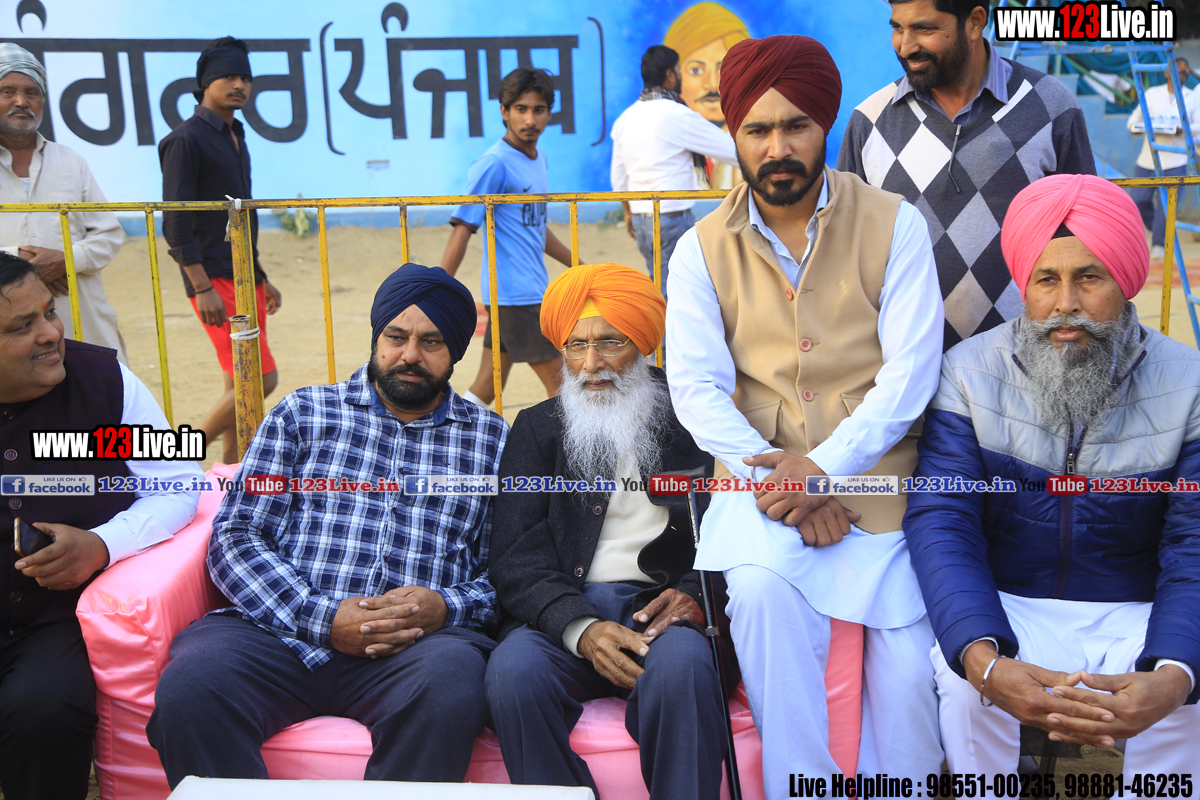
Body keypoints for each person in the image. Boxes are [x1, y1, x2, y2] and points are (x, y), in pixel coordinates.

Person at [665, 36, 946, 794]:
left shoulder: (895, 224)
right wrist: (784, 484)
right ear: (733, 136)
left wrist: (823, 469)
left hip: (883, 489)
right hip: (762, 488)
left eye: (796, 126)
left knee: (910, 673)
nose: (777, 148)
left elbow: (911, 375)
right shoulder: (699, 249)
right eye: (757, 130)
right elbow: (697, 390)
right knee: (760, 599)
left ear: (826, 127)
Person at [147, 263, 506, 788]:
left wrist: (445, 607)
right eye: (396, 337)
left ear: (455, 351)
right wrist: (321, 616)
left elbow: (508, 569)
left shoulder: (492, 441)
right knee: (193, 686)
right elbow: (238, 534)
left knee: (449, 688)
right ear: (376, 338)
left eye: (431, 342)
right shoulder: (303, 414)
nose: (410, 354)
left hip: (416, 648)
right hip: (278, 633)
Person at [904, 173, 1200, 772]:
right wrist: (983, 656)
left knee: (1187, 695)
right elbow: (943, 519)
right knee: (965, 683)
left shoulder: (1188, 383)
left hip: (1135, 610)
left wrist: (1175, 671)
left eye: (1089, 277)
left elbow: (1194, 541)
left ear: (1125, 280)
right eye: (1046, 280)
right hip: (1010, 603)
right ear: (1024, 284)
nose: (1065, 303)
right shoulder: (969, 373)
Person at [486, 263, 728, 800]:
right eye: (576, 347)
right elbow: (515, 556)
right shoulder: (538, 428)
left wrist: (694, 594)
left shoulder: (698, 417)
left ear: (642, 344)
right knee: (514, 671)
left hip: (662, 611)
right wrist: (580, 627)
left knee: (685, 669)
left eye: (610, 343)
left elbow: (732, 526)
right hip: (566, 610)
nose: (591, 365)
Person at [0, 251, 200, 799]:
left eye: (49, 312)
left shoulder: (103, 382)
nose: (51, 333)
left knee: (46, 708)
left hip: (52, 621)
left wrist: (102, 545)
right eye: (22, 325)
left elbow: (179, 483)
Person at [838, 0, 1095, 350]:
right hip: (904, 362)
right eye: (897, 28)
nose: (906, 46)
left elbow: (1085, 241)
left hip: (1025, 360)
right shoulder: (870, 121)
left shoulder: (1051, 106)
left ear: (975, 22)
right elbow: (844, 251)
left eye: (924, 28)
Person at [159, 36, 283, 464]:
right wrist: (200, 286)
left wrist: (261, 276)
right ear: (206, 83)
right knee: (261, 378)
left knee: (238, 380)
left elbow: (239, 219)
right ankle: (178, 454)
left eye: (246, 78)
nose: (240, 85)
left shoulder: (236, 134)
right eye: (229, 76)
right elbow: (175, 222)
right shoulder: (185, 139)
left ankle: (230, 471)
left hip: (245, 276)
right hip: (213, 278)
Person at [440, 67, 574, 409]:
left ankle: (450, 433)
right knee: (566, 388)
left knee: (487, 386)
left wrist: (580, 265)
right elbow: (463, 226)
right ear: (504, 111)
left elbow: (536, 227)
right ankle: (563, 451)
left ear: (549, 113)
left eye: (538, 110)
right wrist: (436, 286)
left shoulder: (539, 158)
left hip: (526, 292)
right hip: (516, 296)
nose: (530, 119)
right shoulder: (494, 164)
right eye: (520, 109)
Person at [0, 44, 127, 363]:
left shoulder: (70, 161)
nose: (21, 101)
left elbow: (109, 235)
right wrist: (21, 263)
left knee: (96, 390)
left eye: (32, 92)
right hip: (9, 339)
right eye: (7, 91)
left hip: (82, 326)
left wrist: (68, 259)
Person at [611, 46, 737, 292]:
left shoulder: (625, 118)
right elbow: (734, 151)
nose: (680, 75)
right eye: (679, 69)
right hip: (671, 218)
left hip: (640, 219)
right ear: (670, 74)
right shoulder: (678, 115)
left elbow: (618, 178)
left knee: (661, 288)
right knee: (677, 292)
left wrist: (628, 214)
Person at [664, 2, 750, 190]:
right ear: (673, 77)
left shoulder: (756, 146)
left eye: (722, 69)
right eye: (696, 70)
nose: (711, 84)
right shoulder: (665, 144)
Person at [1127, 58, 1198, 261]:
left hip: (1175, 160)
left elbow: (1198, 125)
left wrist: (1182, 129)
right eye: (1178, 67)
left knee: (1167, 205)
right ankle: (1158, 230)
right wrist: (1135, 129)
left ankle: (1159, 243)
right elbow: (1133, 120)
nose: (1182, 71)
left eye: (1185, 69)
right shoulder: (1151, 94)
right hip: (1148, 159)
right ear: (1166, 72)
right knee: (1138, 201)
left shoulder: (1193, 97)